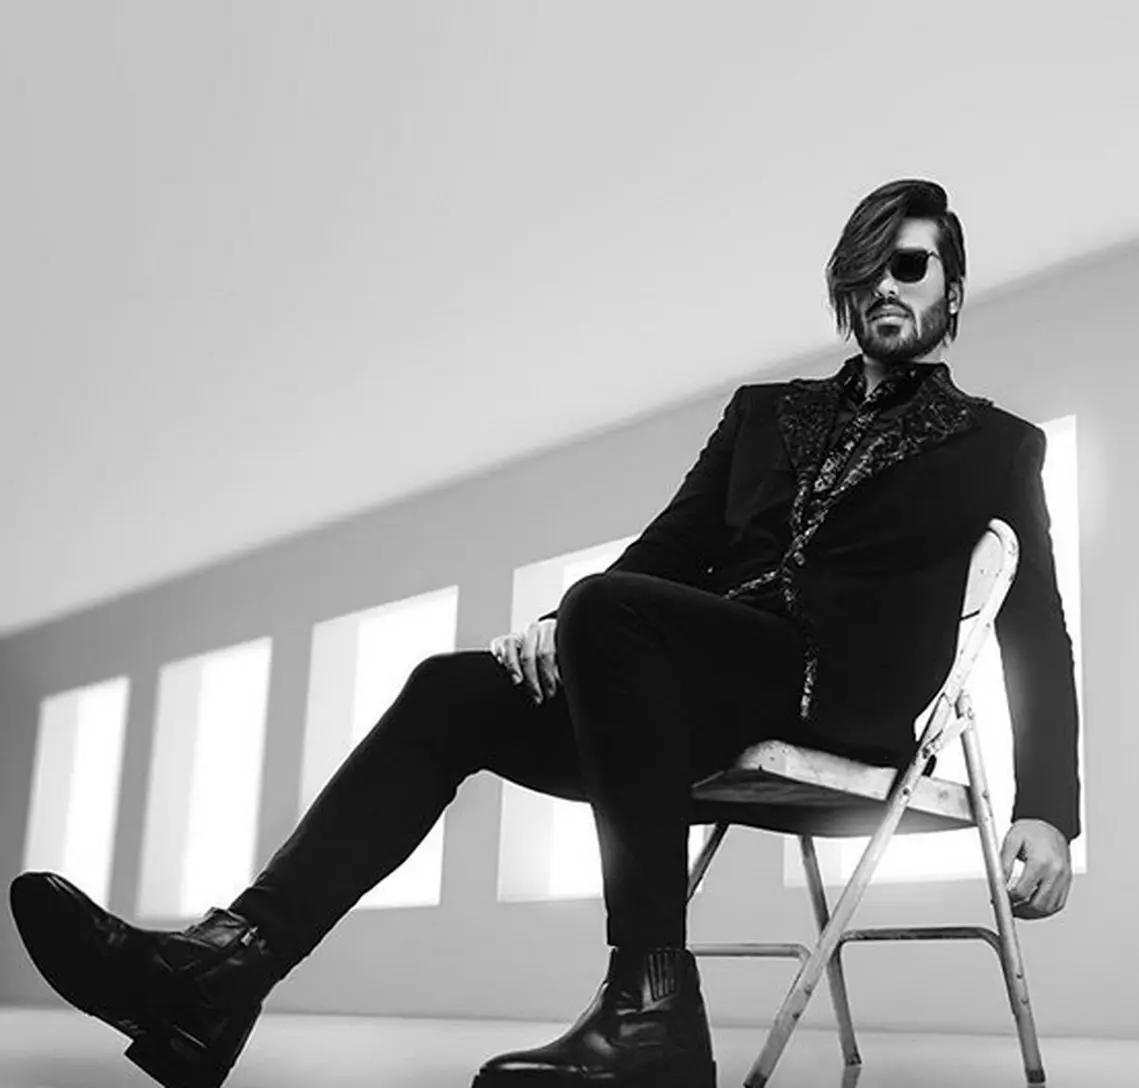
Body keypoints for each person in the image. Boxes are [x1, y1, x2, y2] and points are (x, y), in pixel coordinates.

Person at [8, 178, 1079, 1088]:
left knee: (604, 607)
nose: (889, 284)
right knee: (452, 686)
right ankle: (220, 974)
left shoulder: (996, 446)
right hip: (698, 688)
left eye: (912, 266)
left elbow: (1036, 625)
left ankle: (652, 1009)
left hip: (836, 693)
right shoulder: (766, 413)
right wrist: (568, 626)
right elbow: (668, 549)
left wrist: (1049, 810)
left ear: (951, 290)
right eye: (870, 267)